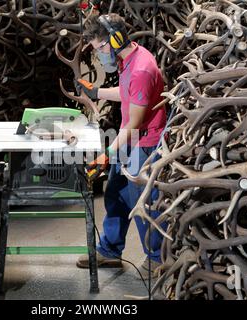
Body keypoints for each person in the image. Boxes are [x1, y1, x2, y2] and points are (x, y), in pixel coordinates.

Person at [75, 13, 167, 279]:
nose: (99, 53)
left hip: (145, 142)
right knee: (115, 193)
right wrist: (95, 91)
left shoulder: (140, 68)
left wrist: (107, 155)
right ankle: (110, 251)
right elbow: (127, 94)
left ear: (116, 39)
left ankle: (157, 258)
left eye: (100, 46)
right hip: (130, 139)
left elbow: (135, 123)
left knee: (142, 203)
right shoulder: (130, 59)